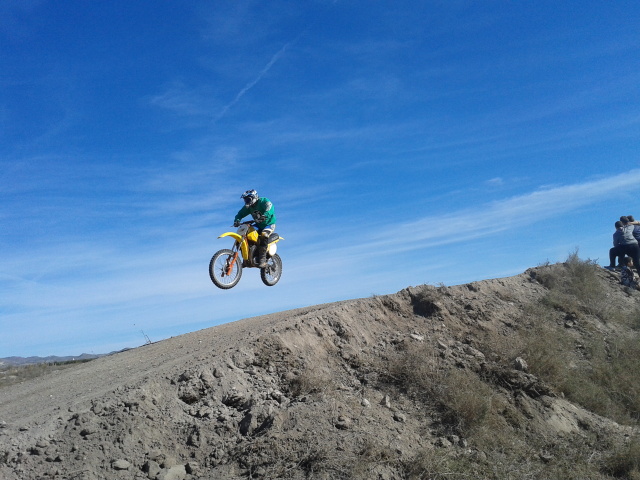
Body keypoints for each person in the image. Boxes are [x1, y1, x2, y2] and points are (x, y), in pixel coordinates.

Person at [233, 190, 277, 267]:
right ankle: (246, 259)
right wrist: (237, 220)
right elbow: (240, 214)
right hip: (258, 225)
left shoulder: (263, 201)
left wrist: (265, 215)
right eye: (245, 200)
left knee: (264, 234)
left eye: (248, 199)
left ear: (254, 197)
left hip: (268, 224)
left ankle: (262, 260)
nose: (246, 201)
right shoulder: (249, 207)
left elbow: (270, 207)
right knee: (244, 234)